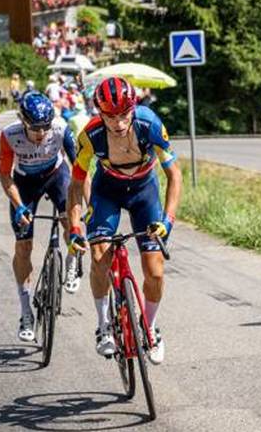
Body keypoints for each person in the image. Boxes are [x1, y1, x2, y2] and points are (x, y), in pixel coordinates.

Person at [68, 77, 182, 364]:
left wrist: (167, 221)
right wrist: (74, 227)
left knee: (154, 271)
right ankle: (104, 324)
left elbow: (175, 175)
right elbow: (75, 183)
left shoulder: (150, 124)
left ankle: (151, 327)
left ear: (133, 108)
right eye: (110, 116)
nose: (118, 123)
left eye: (124, 115)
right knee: (99, 256)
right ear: (100, 113)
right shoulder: (90, 135)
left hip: (145, 191)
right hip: (108, 191)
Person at [1, 93, 81, 342]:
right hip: (25, 182)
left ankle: (72, 260)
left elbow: (80, 170)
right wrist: (19, 206)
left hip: (56, 175)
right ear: (23, 122)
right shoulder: (10, 135)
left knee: (70, 216)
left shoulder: (60, 129)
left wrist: (84, 204)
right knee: (23, 246)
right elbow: (5, 176)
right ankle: (26, 311)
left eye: (45, 126)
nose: (42, 133)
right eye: (35, 128)